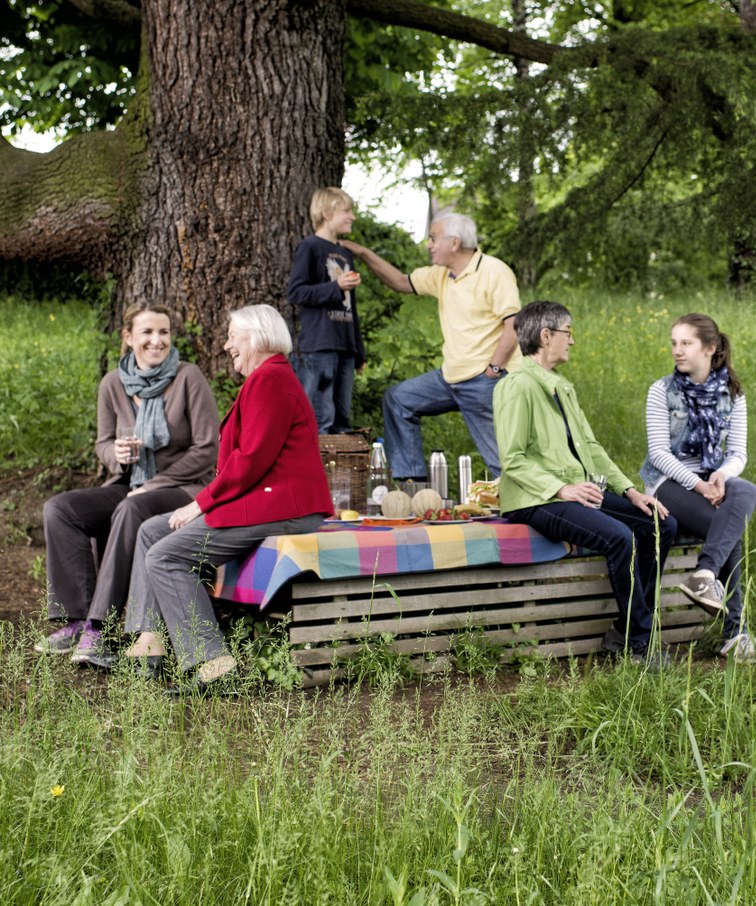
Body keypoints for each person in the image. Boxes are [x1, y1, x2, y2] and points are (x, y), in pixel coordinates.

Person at [122, 304, 333, 693]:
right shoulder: (268, 378)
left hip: (285, 507)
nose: (226, 345)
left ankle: (215, 664)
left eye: (233, 336)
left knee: (166, 556)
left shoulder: (270, 379)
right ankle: (149, 640)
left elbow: (250, 461)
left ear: (256, 335)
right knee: (153, 530)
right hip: (269, 503)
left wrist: (199, 503)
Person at [35, 301, 218, 668]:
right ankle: (75, 619)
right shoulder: (113, 383)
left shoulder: (188, 377)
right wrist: (114, 454)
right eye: (147, 332)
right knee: (60, 509)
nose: (156, 340)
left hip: (182, 488)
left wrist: (155, 485)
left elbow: (207, 449)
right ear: (128, 337)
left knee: (131, 506)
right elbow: (102, 442)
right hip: (129, 482)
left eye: (163, 332)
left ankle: (99, 628)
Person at [494, 301, 676, 668]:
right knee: (619, 537)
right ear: (546, 336)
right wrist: (562, 490)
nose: (572, 341)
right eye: (568, 332)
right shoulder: (517, 386)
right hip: (535, 498)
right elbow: (512, 460)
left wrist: (630, 491)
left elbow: (591, 448)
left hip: (576, 492)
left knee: (660, 524)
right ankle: (639, 645)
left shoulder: (562, 388)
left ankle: (625, 631)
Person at [342, 212, 520, 480]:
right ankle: (412, 483)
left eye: (434, 238)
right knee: (399, 399)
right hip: (450, 378)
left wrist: (494, 369)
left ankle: (527, 508)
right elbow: (401, 282)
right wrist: (364, 254)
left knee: (502, 464)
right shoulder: (441, 276)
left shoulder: (493, 271)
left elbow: (514, 323)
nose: (429, 244)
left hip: (485, 380)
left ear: (455, 242)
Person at [640, 313, 756, 664]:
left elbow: (738, 454)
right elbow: (659, 454)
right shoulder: (661, 390)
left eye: (686, 343)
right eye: (674, 343)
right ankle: (736, 633)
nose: (677, 351)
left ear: (709, 348)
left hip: (712, 478)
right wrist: (697, 484)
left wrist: (720, 477)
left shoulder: (733, 394)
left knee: (746, 491)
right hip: (668, 483)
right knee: (728, 526)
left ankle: (704, 574)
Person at [286, 186, 366, 434]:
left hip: (345, 346)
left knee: (342, 419)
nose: (351, 217)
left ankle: (340, 472)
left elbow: (351, 307)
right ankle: (316, 471)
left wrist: (358, 349)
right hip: (319, 346)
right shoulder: (309, 247)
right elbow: (296, 292)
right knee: (322, 417)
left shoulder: (344, 254)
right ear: (327, 213)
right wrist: (336, 286)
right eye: (346, 211)